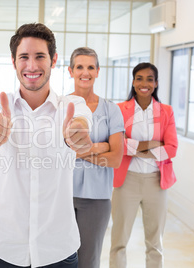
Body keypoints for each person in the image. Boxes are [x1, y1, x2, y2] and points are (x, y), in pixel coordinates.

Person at [0, 23, 93, 268]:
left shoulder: (72, 105)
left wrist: (78, 131)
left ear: (53, 60)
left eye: (39, 56)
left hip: (58, 250)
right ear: (13, 62)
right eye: (24, 57)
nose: (31, 66)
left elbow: (82, 121)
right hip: (4, 249)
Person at [109, 62, 178, 268]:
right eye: (139, 78)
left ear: (156, 83)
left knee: (155, 244)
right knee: (118, 242)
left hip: (156, 183)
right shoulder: (120, 110)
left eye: (149, 79)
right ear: (133, 81)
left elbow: (172, 149)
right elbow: (118, 144)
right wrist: (152, 146)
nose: (144, 83)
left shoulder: (166, 111)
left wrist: (134, 147)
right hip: (126, 181)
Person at [68, 47, 124, 268]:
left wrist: (78, 151)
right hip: (60, 195)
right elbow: (55, 154)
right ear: (70, 71)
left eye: (90, 67)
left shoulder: (111, 110)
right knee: (58, 259)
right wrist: (99, 147)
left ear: (98, 71)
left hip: (96, 199)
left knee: (88, 261)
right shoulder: (60, 107)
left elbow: (116, 159)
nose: (85, 72)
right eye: (79, 67)